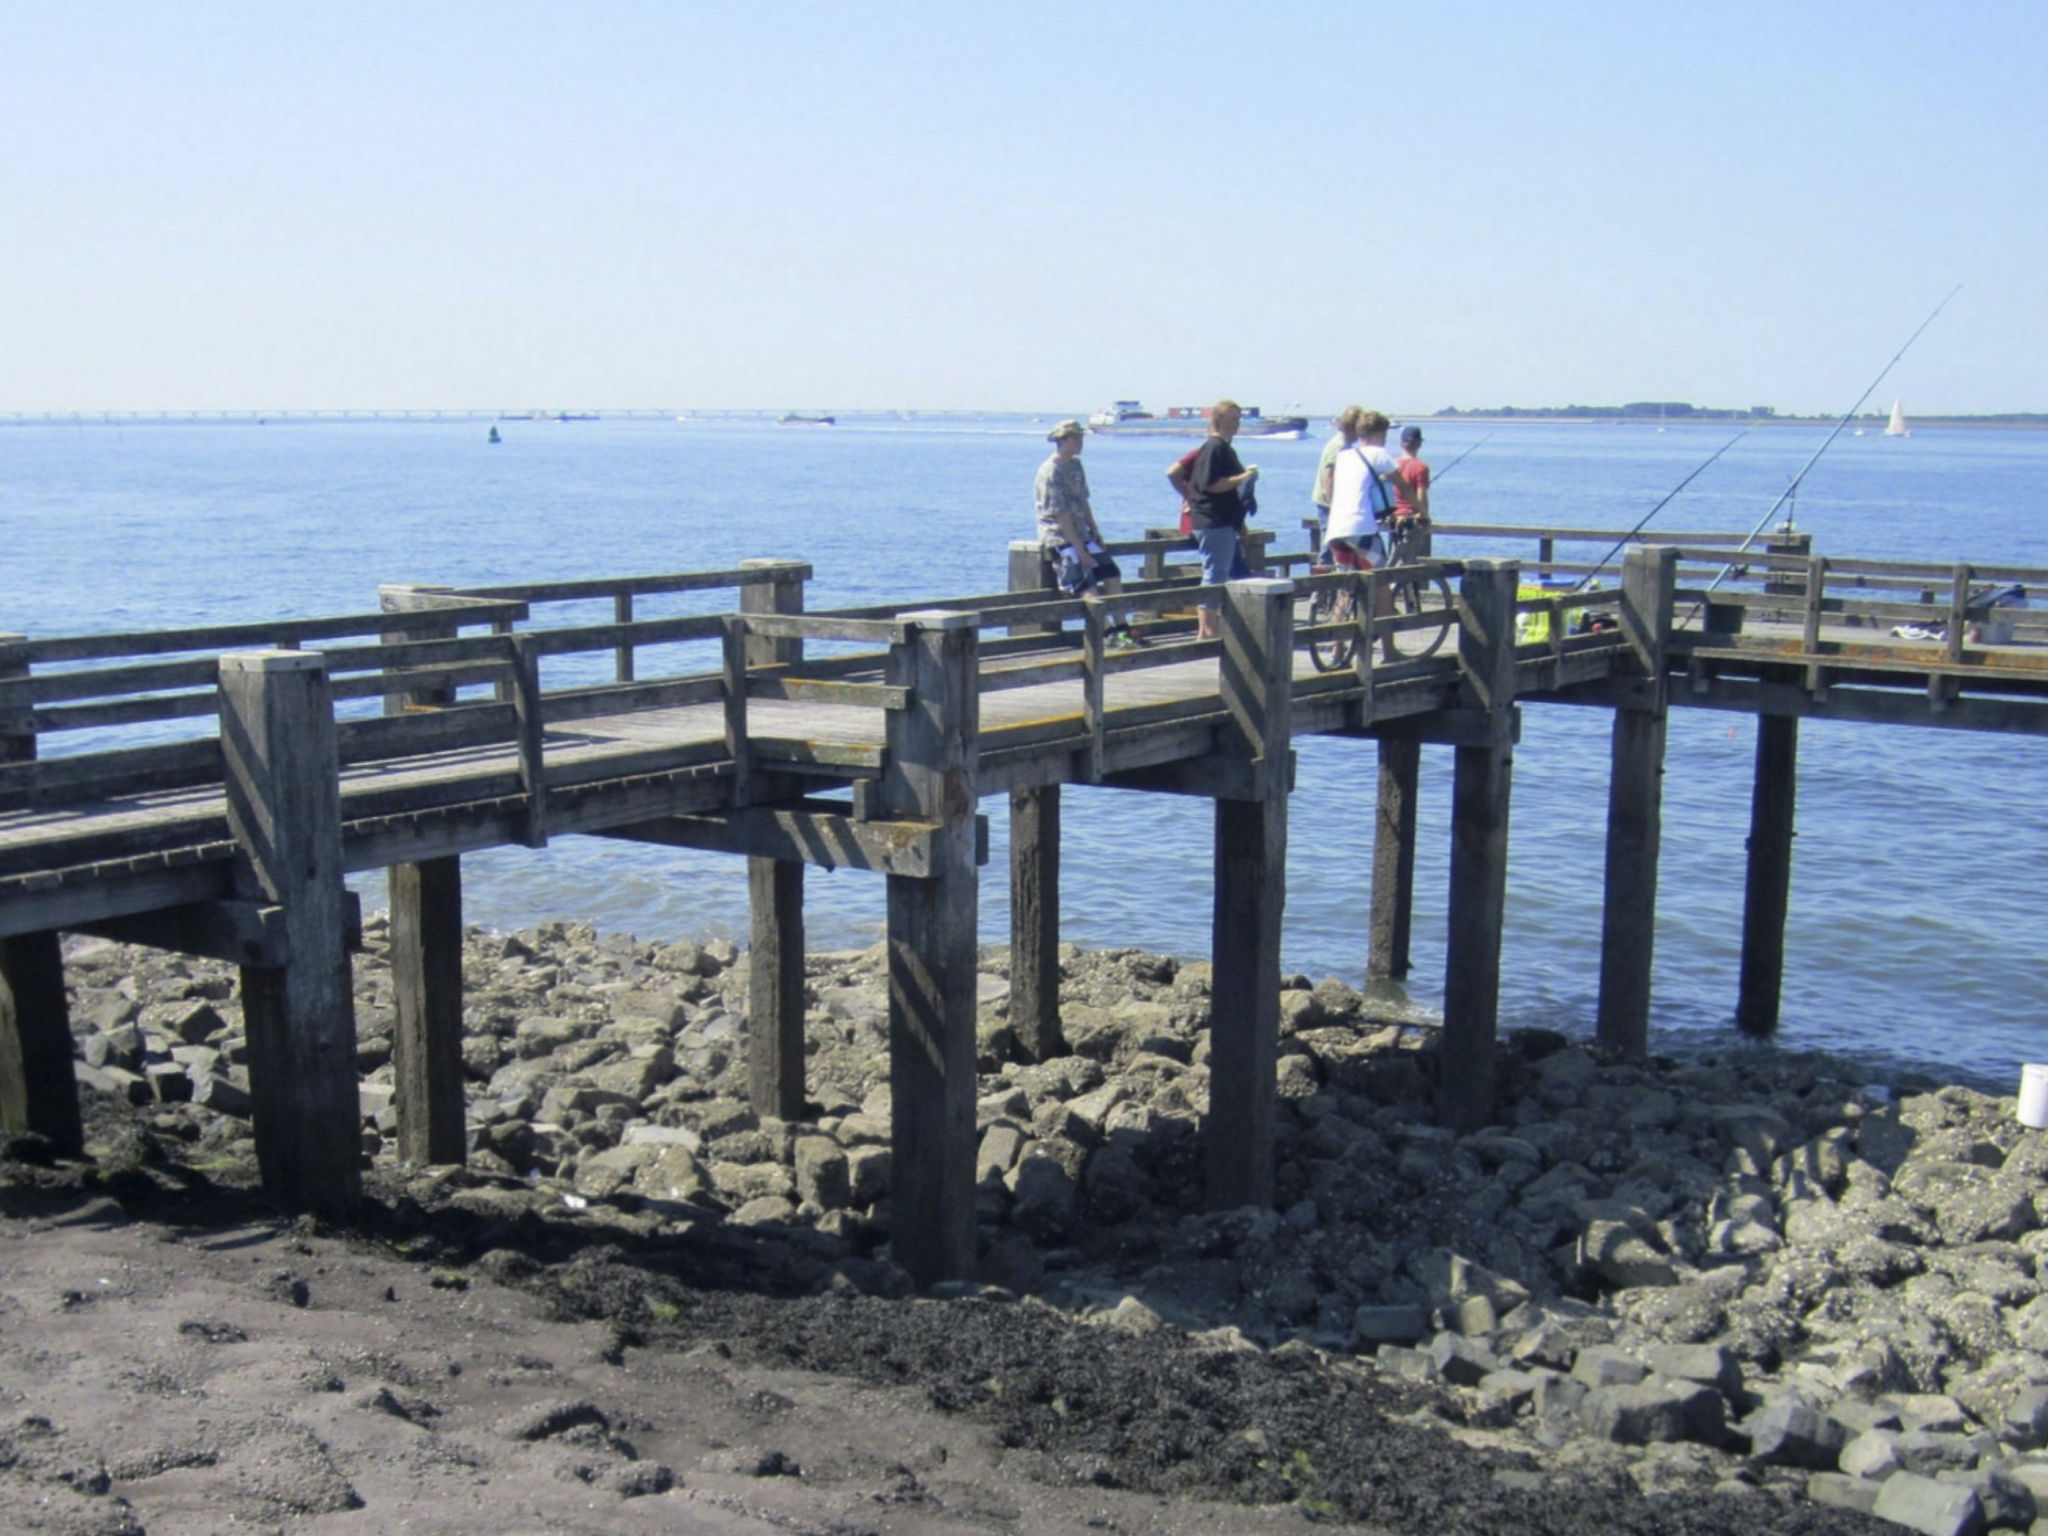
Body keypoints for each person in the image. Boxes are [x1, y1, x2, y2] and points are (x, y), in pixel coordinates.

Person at [1034, 420, 1145, 648]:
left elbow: (1083, 501)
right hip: (1060, 536)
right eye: (1075, 438)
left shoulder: (1076, 465)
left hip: (1083, 533)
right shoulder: (1050, 471)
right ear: (1062, 440)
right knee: (1086, 584)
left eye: (1081, 438)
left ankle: (1122, 628)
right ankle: (1106, 633)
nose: (1080, 442)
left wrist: (1094, 531)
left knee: (1111, 572)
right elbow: (1059, 514)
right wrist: (1080, 550)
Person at [1325, 411, 1402, 661]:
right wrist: (1422, 511)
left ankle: (1336, 649)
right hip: (1362, 530)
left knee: (1346, 589)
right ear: (1380, 433)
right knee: (1381, 586)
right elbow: (1402, 485)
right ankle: (1389, 650)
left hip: (1336, 530)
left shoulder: (1344, 455)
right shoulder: (1379, 453)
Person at [1184, 400, 1259, 639]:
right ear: (1218, 420)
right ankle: (1208, 630)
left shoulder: (1225, 448)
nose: (1237, 423)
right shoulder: (1214, 447)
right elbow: (1211, 484)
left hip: (1226, 522)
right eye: (1232, 418)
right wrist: (1243, 478)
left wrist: (1241, 524)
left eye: (1238, 418)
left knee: (1224, 574)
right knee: (1214, 576)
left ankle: (1208, 629)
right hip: (1213, 522)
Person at [1312, 406, 1367, 555]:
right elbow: (1329, 476)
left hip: (1337, 503)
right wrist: (1333, 506)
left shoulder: (1346, 445)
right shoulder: (1338, 446)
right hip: (1327, 503)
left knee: (1339, 543)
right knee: (1331, 543)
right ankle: (1323, 568)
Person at [1390, 425, 1432, 567]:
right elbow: (1421, 495)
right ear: (1419, 444)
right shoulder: (1421, 467)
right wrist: (1425, 516)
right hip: (1411, 519)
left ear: (1402, 444)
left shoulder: (1393, 464)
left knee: (1394, 555)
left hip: (1393, 518)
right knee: (1408, 562)